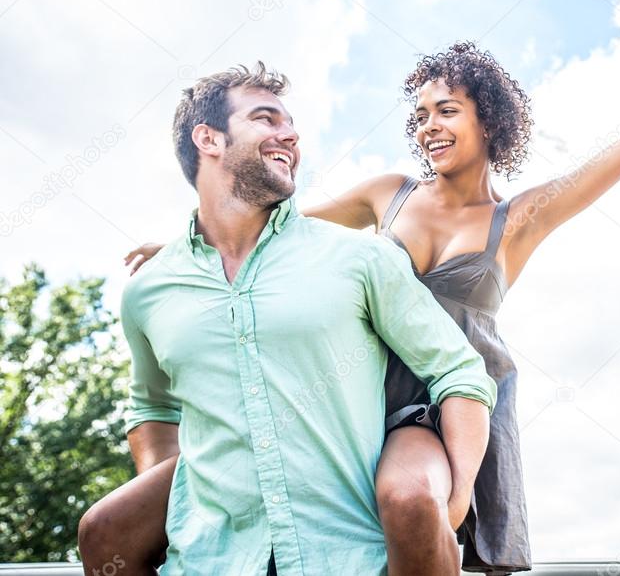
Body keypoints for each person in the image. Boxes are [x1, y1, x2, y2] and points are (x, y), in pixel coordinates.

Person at [86, 24, 620, 574]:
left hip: (444, 403)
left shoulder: (519, 219)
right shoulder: (387, 194)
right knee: (120, 528)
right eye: (419, 116)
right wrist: (173, 252)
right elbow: (262, 230)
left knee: (419, 510)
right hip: (353, 392)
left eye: (445, 109)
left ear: (489, 117)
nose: (428, 126)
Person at [76, 63, 498, 576]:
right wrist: (180, 509)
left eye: (290, 124)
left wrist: (447, 509)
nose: (290, 134)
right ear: (208, 138)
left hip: (351, 560)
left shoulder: (361, 259)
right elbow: (153, 408)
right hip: (207, 564)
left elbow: (459, 373)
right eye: (265, 119)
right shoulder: (147, 291)